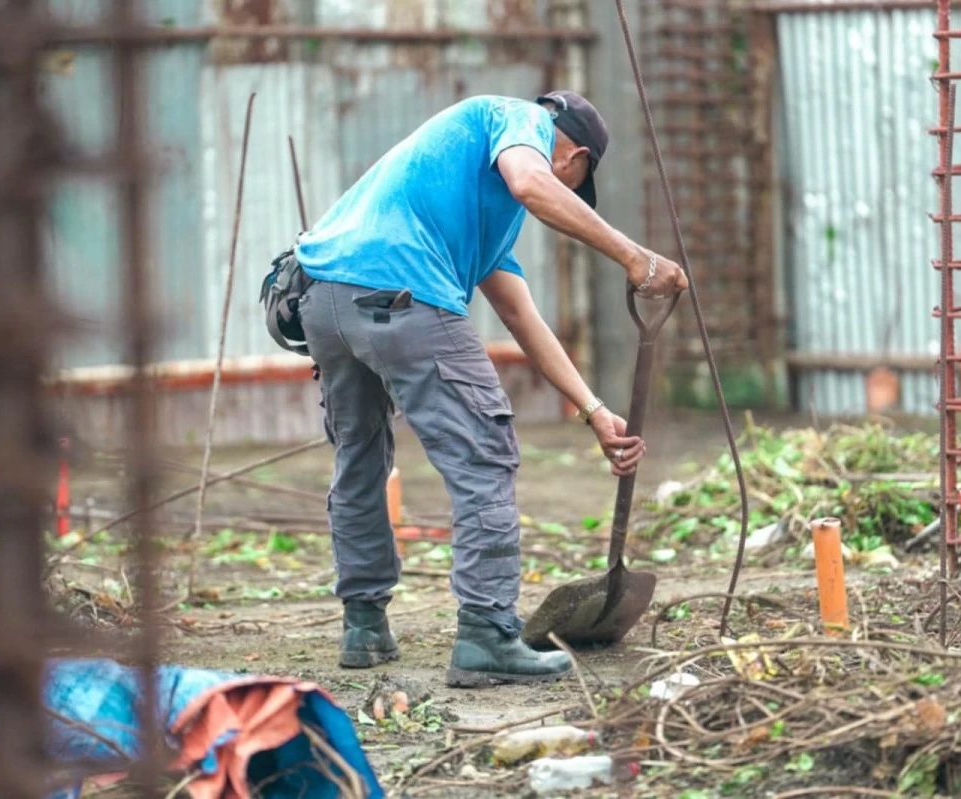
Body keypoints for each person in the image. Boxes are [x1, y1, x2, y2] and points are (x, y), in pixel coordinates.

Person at [294, 90, 687, 689]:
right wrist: (636, 258)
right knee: (484, 456)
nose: (566, 189)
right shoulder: (515, 119)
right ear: (574, 156)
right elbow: (533, 183)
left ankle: (364, 626)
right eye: (575, 180)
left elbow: (520, 315)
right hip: (403, 293)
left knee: (360, 455)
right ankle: (487, 635)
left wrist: (594, 411)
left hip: (323, 301)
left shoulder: (477, 212)